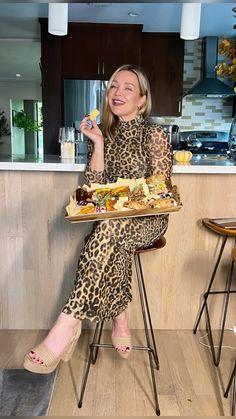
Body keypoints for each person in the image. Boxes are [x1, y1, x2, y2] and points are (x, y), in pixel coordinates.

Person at [24, 64, 172, 374]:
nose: (118, 93)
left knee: (108, 226)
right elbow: (93, 185)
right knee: (110, 231)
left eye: (128, 88)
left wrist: (123, 202)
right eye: (114, 87)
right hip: (113, 223)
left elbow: (161, 190)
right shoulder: (105, 132)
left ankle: (66, 325)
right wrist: (98, 143)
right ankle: (120, 319)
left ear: (142, 100)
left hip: (148, 219)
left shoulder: (153, 133)